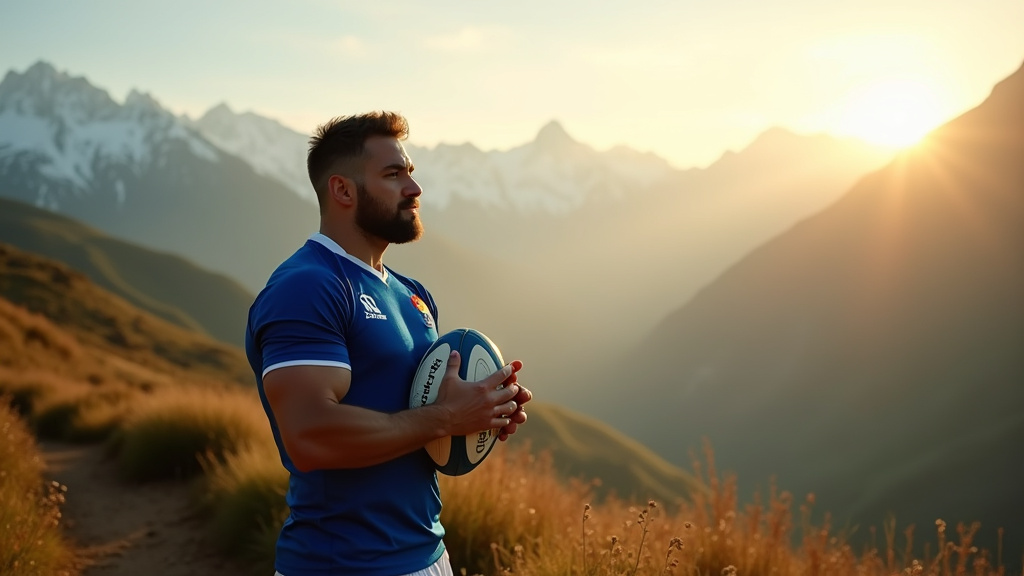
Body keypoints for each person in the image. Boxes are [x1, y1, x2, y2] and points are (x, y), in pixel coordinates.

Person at [244, 111, 532, 576]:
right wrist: (446, 416)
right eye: (393, 175)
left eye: (410, 173)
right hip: (342, 563)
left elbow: (412, 419)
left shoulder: (412, 294)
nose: (414, 189)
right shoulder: (308, 286)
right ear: (343, 190)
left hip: (429, 553)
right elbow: (310, 435)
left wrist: (482, 410)